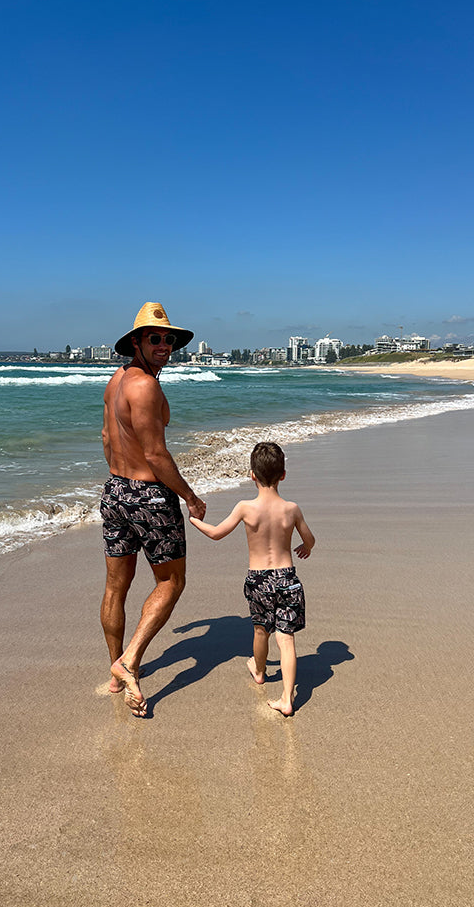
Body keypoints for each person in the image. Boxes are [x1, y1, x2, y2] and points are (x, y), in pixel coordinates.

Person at [100, 302, 206, 717]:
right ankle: (128, 661)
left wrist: (122, 480)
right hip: (148, 496)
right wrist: (190, 497)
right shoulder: (145, 386)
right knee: (172, 581)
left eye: (169, 339)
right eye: (155, 338)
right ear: (136, 342)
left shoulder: (115, 382)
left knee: (116, 587)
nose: (165, 345)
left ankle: (115, 674)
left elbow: (107, 436)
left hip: (115, 492)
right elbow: (157, 455)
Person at [189, 441, 315, 716]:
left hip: (258, 579)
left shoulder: (245, 507)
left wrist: (194, 520)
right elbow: (310, 540)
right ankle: (286, 698)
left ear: (252, 475)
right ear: (283, 475)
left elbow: (216, 533)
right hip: (287, 578)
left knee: (260, 630)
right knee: (286, 638)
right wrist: (305, 548)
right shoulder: (292, 509)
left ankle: (259, 671)